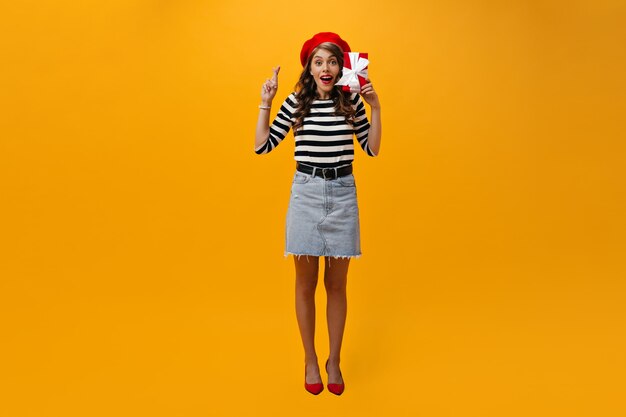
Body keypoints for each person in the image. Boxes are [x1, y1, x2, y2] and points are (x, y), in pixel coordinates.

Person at [254, 32, 381, 395]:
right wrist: (266, 102)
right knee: (305, 284)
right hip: (306, 194)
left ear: (342, 67)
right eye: (318, 61)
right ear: (309, 69)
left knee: (337, 285)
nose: (326, 67)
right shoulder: (297, 103)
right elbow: (262, 146)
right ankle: (310, 358)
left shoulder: (351, 101)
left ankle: (334, 361)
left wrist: (376, 108)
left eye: (332, 61)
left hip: (342, 194)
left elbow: (371, 151)